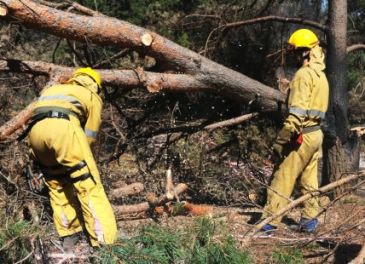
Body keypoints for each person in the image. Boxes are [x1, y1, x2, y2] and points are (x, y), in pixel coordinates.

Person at [27, 67, 117, 250]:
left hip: (35, 135)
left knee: (56, 183)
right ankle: (105, 243)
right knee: (88, 184)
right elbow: (90, 134)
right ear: (95, 84)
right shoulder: (91, 95)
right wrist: (82, 160)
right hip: (63, 128)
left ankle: (69, 235)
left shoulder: (54, 89)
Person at [260, 29, 329, 234]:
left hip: (302, 134)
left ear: (306, 52)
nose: (294, 57)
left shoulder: (303, 75)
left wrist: (279, 143)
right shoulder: (321, 76)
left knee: (283, 177)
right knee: (309, 179)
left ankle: (269, 223)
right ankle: (310, 221)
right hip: (316, 134)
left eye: (296, 52)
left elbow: (296, 117)